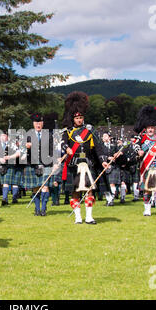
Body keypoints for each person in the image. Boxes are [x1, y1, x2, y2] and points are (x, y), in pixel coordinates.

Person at [61, 91, 108, 225]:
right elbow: (63, 142)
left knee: (89, 190)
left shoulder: (90, 130)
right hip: (74, 165)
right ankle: (78, 217)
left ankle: (89, 217)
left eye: (81, 117)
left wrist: (103, 161)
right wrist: (67, 148)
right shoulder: (67, 131)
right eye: (77, 118)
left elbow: (98, 147)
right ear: (73, 118)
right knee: (75, 192)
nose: (79, 120)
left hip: (88, 165)